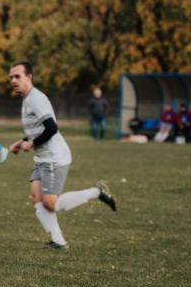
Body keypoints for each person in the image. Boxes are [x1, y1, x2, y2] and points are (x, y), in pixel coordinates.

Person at [8, 62, 116, 249]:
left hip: (53, 158)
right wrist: (22, 141)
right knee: (36, 197)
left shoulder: (36, 99)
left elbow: (52, 128)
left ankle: (96, 192)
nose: (13, 81)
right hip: (42, 157)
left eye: (17, 76)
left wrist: (31, 143)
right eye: (11, 77)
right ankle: (59, 241)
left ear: (29, 77)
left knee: (50, 204)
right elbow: (38, 128)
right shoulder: (27, 100)